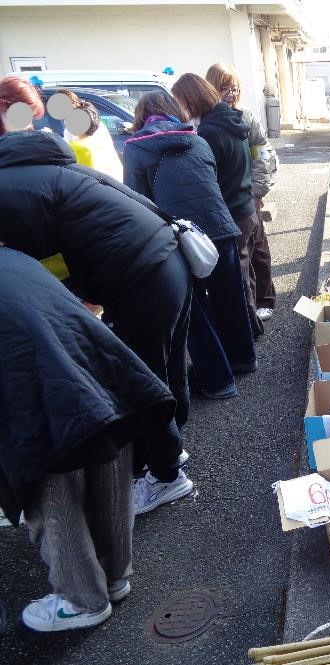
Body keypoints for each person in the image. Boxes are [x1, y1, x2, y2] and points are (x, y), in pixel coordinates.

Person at [0, 75, 193, 515]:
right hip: (169, 257)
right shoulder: (46, 166)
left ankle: (166, 476)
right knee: (165, 368)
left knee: (141, 378)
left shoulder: (9, 186)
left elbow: (33, 265)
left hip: (140, 272)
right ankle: (171, 454)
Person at [0, 247, 179, 631]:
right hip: (106, 375)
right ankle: (114, 578)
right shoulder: (15, 259)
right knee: (108, 469)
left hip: (39, 396)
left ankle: (81, 601)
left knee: (54, 495)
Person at [124, 91, 257, 399]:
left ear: (141, 116)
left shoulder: (135, 148)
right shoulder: (197, 139)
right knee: (230, 297)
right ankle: (243, 358)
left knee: (193, 311)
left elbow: (137, 199)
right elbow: (210, 180)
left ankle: (218, 381)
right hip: (221, 227)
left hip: (181, 237)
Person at [171, 73, 264, 337]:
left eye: (181, 102)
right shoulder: (233, 120)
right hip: (246, 206)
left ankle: (248, 331)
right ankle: (252, 323)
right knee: (245, 270)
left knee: (237, 279)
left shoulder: (209, 132)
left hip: (231, 212)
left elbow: (209, 177)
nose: (181, 109)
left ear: (191, 100)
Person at [205, 63, 278, 323]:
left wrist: (257, 190)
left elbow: (262, 153)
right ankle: (246, 306)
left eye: (234, 88)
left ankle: (265, 300)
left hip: (248, 196)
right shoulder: (204, 120)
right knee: (237, 256)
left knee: (257, 249)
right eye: (224, 88)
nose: (231, 94)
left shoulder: (246, 117)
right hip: (224, 198)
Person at [56, 88, 124, 181]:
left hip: (101, 177)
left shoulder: (84, 124)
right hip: (105, 178)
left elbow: (70, 151)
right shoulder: (77, 124)